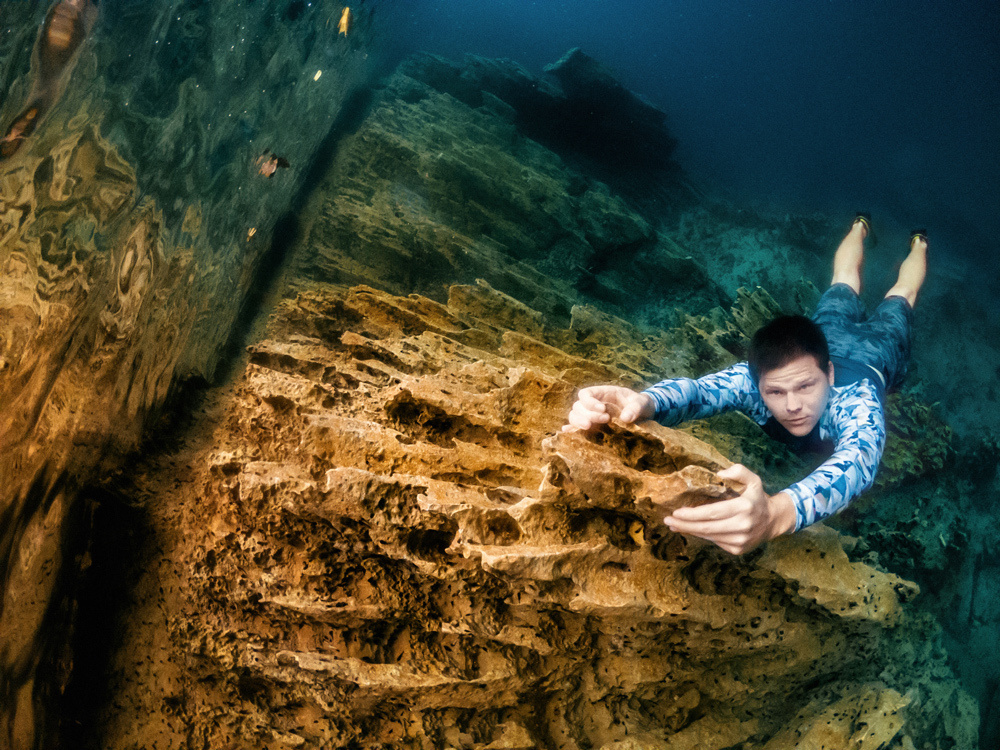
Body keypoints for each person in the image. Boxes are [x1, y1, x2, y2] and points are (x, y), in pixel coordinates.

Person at [564, 215, 929, 555]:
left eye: (805, 387)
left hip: (876, 352)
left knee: (900, 295)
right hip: (826, 336)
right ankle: (861, 226)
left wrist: (777, 514)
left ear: (829, 375)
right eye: (775, 392)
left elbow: (858, 460)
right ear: (757, 383)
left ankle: (919, 244)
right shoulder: (749, 381)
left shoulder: (856, 401)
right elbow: (698, 392)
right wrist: (645, 402)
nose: (792, 406)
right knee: (844, 279)